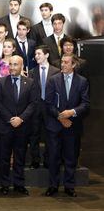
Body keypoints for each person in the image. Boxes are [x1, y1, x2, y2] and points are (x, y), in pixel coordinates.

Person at [44, 54, 90, 197]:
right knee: (54, 157)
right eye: (62, 62)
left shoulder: (82, 82)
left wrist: (72, 112)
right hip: (55, 126)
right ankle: (53, 185)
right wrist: (60, 117)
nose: (62, 65)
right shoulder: (53, 80)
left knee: (71, 157)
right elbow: (48, 103)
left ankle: (69, 186)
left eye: (66, 62)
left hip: (73, 126)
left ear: (73, 65)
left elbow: (85, 104)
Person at [0, 55, 37, 195]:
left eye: (15, 64)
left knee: (20, 157)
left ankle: (19, 184)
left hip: (22, 127)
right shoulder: (1, 82)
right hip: (6, 126)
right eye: (10, 64)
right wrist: (11, 118)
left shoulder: (30, 83)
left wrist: (21, 118)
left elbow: (33, 103)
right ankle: (4, 184)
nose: (12, 67)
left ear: (22, 66)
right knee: (4, 158)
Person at [28, 45, 60, 169]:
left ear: (46, 55)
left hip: (50, 107)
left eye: (39, 54)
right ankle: (35, 160)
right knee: (34, 134)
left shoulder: (56, 71)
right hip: (36, 107)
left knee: (50, 135)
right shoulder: (32, 72)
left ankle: (48, 160)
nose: (36, 56)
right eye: (35, 54)